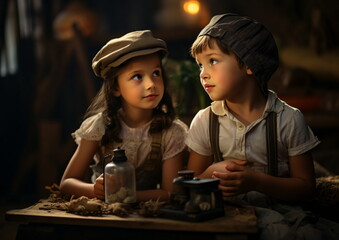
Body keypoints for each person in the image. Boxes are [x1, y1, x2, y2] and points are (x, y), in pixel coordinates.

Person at [186, 13, 338, 239]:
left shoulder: (289, 119)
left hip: (284, 212)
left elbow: (306, 187)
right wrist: (210, 173)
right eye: (200, 64)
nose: (203, 73)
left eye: (213, 61)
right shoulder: (204, 120)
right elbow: (189, 183)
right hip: (224, 214)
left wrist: (255, 181)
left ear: (248, 64)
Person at [60, 30, 187, 202]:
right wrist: (95, 190)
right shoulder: (99, 127)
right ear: (115, 88)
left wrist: (124, 196)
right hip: (103, 216)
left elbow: (170, 192)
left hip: (147, 216)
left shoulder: (171, 132)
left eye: (156, 73)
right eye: (137, 76)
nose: (151, 84)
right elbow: (66, 184)